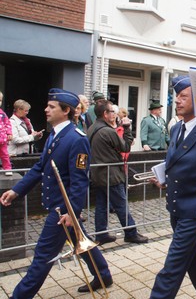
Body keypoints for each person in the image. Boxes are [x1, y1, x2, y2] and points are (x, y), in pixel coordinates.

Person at [0, 88, 113, 298]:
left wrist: (72, 212)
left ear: (66, 110)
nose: (46, 109)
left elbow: (80, 181)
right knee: (82, 240)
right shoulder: (55, 134)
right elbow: (40, 168)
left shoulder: (76, 138)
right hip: (60, 207)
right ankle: (104, 275)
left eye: (51, 106)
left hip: (63, 209)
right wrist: (16, 191)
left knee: (42, 257)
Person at [149, 75, 196, 299]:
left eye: (184, 96)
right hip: (176, 210)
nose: (178, 101)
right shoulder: (176, 129)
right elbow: (177, 163)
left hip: (194, 216)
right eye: (177, 96)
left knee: (170, 271)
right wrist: (163, 179)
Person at [87, 99, 148, 245]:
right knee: (121, 205)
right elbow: (126, 147)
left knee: (102, 205)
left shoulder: (91, 128)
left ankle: (101, 234)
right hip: (111, 175)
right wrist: (127, 128)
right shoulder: (107, 131)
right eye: (112, 111)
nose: (114, 114)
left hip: (98, 174)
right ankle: (131, 233)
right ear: (105, 114)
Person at [0, 91, 13, 175]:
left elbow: (7, 123)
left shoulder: (2, 114)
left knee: (5, 155)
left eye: (0, 100)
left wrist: (9, 133)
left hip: (2, 139)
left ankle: (7, 168)